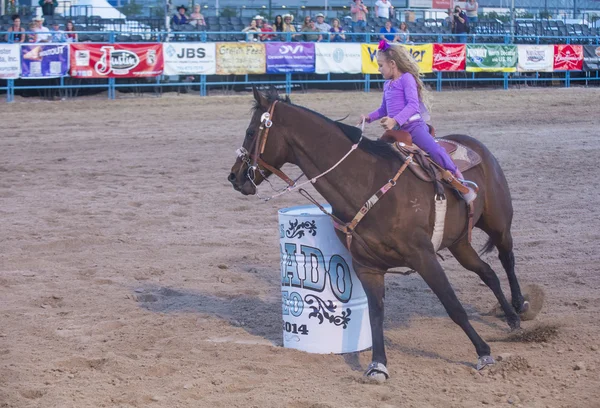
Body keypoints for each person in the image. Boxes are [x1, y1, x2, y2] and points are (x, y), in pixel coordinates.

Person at [359, 40, 477, 203]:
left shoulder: (407, 79)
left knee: (434, 150)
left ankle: (459, 180)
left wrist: (395, 120)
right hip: (397, 131)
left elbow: (413, 105)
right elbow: (383, 109)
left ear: (392, 64)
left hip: (414, 127)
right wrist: (369, 117)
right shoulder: (387, 85)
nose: (379, 69)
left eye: (381, 65)